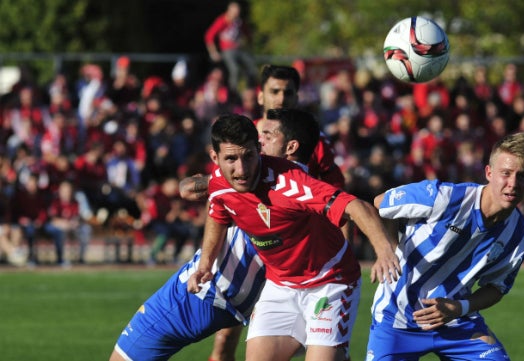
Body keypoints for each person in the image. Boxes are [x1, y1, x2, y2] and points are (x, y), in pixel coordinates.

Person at [110, 108, 321, 361]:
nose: (261, 142)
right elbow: (203, 198)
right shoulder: (310, 188)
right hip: (238, 301)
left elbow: (189, 189)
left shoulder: (264, 182)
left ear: (290, 147)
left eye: (267, 135)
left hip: (203, 291)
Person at [187, 113, 400, 361]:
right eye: (231, 159)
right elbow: (218, 214)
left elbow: (355, 206)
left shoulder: (290, 182)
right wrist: (205, 265)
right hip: (280, 286)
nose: (241, 169)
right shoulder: (218, 182)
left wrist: (384, 250)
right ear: (215, 158)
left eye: (249, 156)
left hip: (330, 282)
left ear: (259, 149)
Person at [366, 132, 524, 360]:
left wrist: (458, 309)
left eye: (522, 176)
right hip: (396, 319)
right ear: (489, 173)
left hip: (457, 325)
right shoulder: (444, 197)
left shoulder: (520, 235)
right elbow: (380, 204)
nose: (512, 184)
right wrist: (386, 249)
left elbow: (497, 287)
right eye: (506, 173)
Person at [204, 1, 258, 91]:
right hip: (227, 50)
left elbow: (247, 34)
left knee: (252, 67)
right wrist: (213, 52)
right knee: (235, 70)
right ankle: (233, 93)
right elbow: (209, 36)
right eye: (234, 12)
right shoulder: (222, 21)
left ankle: (250, 90)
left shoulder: (239, 22)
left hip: (239, 49)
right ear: (229, 11)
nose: (236, 14)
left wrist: (249, 45)